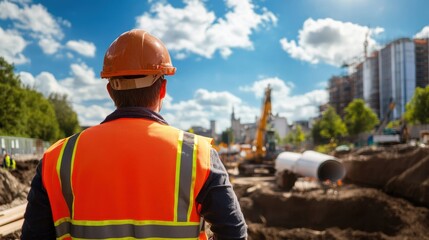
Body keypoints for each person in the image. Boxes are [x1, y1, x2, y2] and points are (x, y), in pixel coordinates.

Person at [21, 29, 247, 240]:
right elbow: (234, 233)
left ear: (110, 91)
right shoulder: (199, 155)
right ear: (163, 89)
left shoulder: (58, 158)